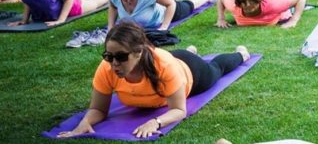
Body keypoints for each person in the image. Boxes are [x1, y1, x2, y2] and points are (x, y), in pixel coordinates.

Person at [56, 21, 251, 139]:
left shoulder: (163, 65)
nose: (114, 63)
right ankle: (190, 51)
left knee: (216, 68)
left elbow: (178, 110)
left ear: (138, 52)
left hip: (190, 71)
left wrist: (155, 122)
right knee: (170, 58)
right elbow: (98, 109)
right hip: (169, 60)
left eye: (121, 57)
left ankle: (241, 55)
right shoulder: (107, 67)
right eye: (108, 56)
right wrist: (85, 122)